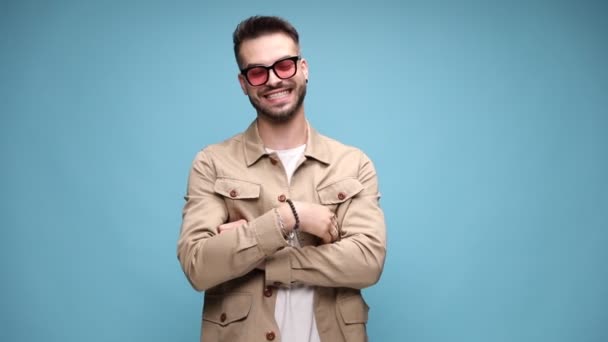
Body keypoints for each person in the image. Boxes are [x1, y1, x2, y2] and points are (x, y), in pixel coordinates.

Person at [177, 15, 386, 342]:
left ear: (303, 68)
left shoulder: (352, 164)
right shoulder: (212, 163)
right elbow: (199, 265)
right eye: (258, 72)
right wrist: (289, 217)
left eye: (284, 66)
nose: (273, 80)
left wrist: (260, 255)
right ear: (243, 83)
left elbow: (366, 262)